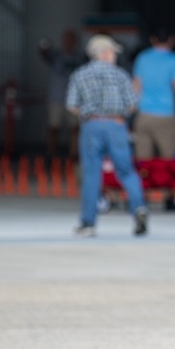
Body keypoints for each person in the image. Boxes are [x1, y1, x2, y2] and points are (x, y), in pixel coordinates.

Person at [65, 35, 148, 238]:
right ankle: (138, 208)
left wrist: (89, 113)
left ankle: (88, 223)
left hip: (91, 125)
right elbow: (132, 105)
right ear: (103, 53)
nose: (114, 56)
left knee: (92, 175)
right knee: (126, 171)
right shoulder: (120, 75)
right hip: (116, 125)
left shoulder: (79, 75)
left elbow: (72, 105)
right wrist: (118, 115)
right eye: (112, 52)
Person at [132, 32, 175, 161]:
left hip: (144, 115)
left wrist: (131, 109)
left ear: (152, 39)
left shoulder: (142, 58)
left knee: (143, 162)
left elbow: (136, 87)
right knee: (169, 161)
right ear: (172, 40)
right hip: (166, 116)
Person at [38, 29, 83, 159]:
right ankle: (50, 155)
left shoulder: (80, 57)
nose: (68, 43)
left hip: (75, 99)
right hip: (56, 98)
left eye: (71, 40)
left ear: (75, 42)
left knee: (75, 128)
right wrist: (44, 46)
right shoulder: (55, 56)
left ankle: (75, 155)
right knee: (53, 127)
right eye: (66, 40)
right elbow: (44, 54)